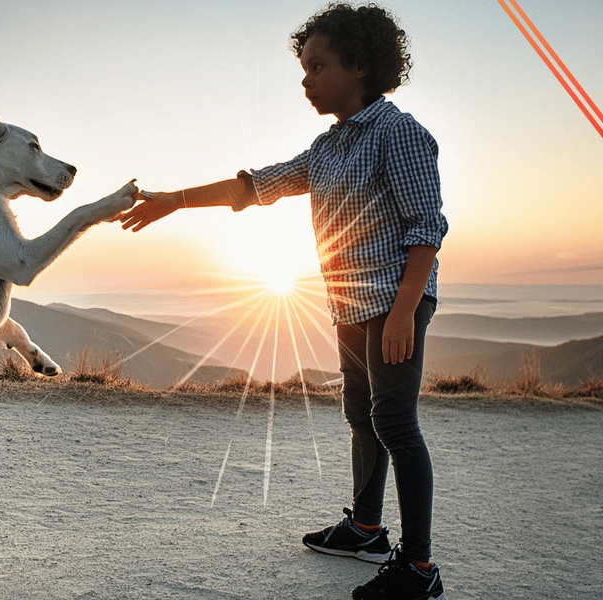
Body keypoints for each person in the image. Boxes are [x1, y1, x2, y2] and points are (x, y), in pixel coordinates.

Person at [120, 4, 447, 599]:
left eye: (317, 66)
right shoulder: (328, 148)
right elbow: (256, 186)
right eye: (304, 68)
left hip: (394, 303)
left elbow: (426, 227)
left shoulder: (399, 133)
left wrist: (404, 311)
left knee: (396, 421)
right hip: (350, 304)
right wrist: (175, 199)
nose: (306, 80)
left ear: (359, 66)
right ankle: (367, 529)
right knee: (361, 414)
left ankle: (420, 570)